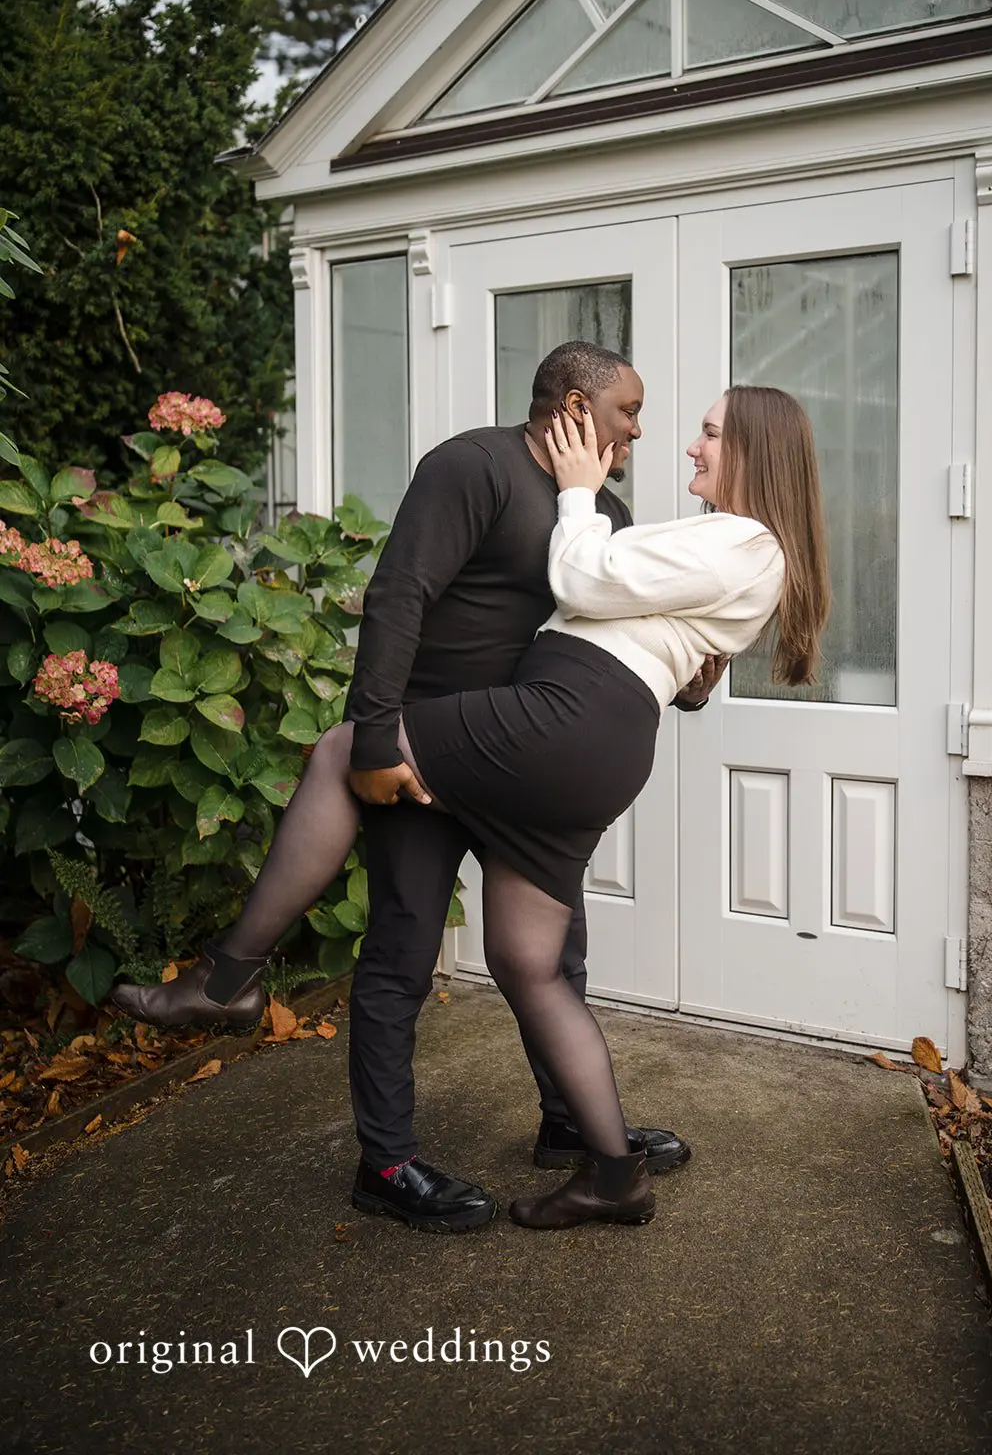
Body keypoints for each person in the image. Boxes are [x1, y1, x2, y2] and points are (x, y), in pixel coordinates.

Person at [114, 369, 830, 1232]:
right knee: (507, 961)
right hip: (519, 738)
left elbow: (594, 591)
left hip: (542, 731)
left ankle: (229, 976)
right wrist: (382, 740)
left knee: (349, 758)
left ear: (752, 449)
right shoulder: (478, 468)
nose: (667, 438)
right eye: (634, 412)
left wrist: (580, 502)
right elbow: (408, 596)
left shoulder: (677, 526)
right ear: (577, 407)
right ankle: (591, 1169)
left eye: (707, 431)